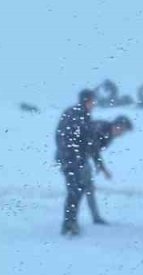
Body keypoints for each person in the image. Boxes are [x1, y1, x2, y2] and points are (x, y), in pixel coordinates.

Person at [54, 89, 97, 236]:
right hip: (70, 159)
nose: (94, 104)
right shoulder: (76, 114)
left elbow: (83, 138)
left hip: (73, 158)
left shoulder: (80, 113)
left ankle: (70, 222)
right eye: (93, 101)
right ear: (87, 100)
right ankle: (69, 224)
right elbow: (65, 137)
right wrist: (72, 157)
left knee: (77, 190)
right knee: (74, 191)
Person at [81, 116, 133, 225]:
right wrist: (103, 169)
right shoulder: (101, 129)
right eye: (122, 130)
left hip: (79, 158)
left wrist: (101, 168)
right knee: (85, 188)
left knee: (86, 188)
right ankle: (88, 219)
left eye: (124, 132)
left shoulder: (108, 133)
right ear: (117, 126)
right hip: (72, 157)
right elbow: (94, 149)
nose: (122, 134)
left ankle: (93, 217)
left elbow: (93, 151)